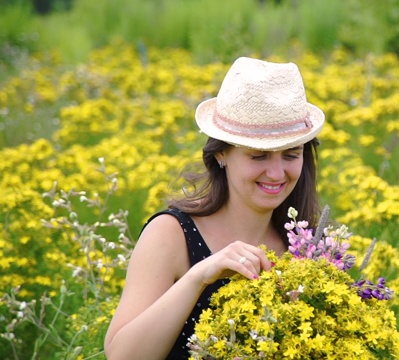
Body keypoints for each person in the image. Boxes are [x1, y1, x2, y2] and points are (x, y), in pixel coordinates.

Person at [104, 56, 325, 359]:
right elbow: (121, 356)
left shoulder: (305, 246)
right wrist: (199, 276)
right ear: (221, 154)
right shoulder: (171, 234)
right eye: (258, 156)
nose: (276, 173)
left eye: (290, 155)